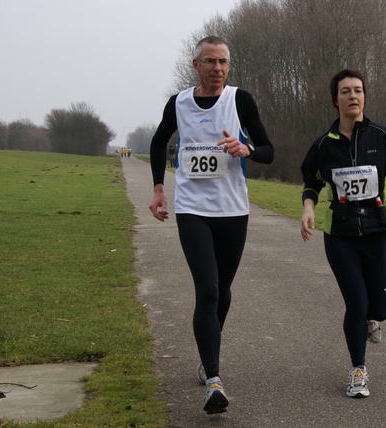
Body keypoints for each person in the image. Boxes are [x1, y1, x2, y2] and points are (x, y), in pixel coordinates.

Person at [148, 35, 274, 414]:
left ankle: (207, 355)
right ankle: (214, 380)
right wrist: (158, 189)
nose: (217, 69)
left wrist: (246, 148)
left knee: (222, 291)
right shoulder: (180, 103)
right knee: (206, 289)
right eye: (210, 62)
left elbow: (268, 150)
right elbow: (158, 143)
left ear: (228, 67)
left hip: (233, 211)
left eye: (223, 62)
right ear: (195, 65)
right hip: (192, 211)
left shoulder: (241, 101)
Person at [300, 69, 386, 398]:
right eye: (346, 91)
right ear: (335, 100)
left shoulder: (383, 136)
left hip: (377, 231)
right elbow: (310, 180)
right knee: (357, 303)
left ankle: (372, 319)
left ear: (365, 96)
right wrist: (308, 208)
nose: (353, 96)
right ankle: (358, 370)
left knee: (379, 309)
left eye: (358, 90)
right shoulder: (324, 144)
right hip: (339, 235)